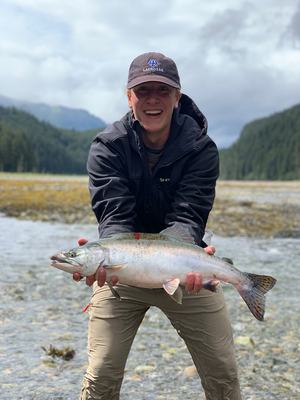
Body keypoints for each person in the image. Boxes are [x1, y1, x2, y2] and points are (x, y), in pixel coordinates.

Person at [74, 52, 241, 400]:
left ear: (178, 96)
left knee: (222, 372)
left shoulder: (201, 148)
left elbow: (188, 217)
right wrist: (103, 261)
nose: (152, 99)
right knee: (101, 372)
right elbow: (114, 218)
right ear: (129, 96)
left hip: (183, 268)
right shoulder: (108, 147)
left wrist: (194, 257)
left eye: (162, 90)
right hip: (122, 272)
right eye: (143, 90)